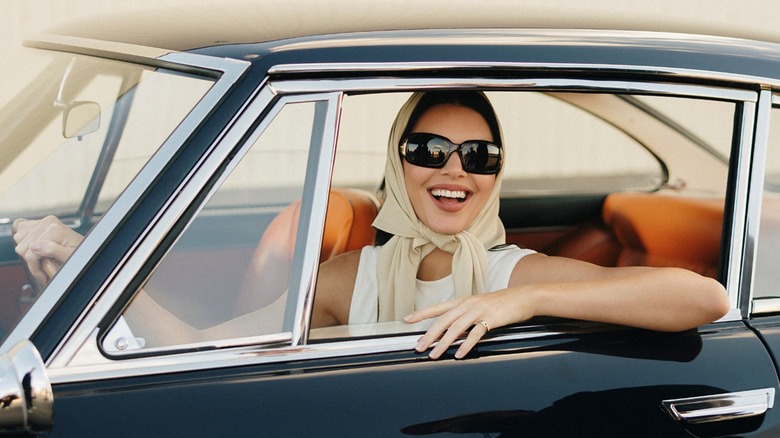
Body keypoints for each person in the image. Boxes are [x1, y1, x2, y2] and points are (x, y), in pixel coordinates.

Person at [12, 90, 731, 358]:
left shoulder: (514, 271)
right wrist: (99, 284)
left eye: (479, 156)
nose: (455, 171)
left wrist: (523, 300)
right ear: (398, 161)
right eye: (429, 150)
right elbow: (203, 349)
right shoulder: (346, 277)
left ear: (495, 174)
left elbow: (703, 299)